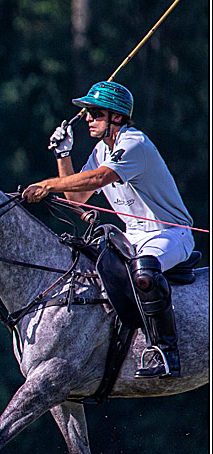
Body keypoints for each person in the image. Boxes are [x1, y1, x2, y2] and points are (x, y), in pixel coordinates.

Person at [23, 80, 195, 378]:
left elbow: (96, 180)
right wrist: (63, 154)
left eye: (95, 112)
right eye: (87, 113)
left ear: (116, 116)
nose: (88, 118)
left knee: (144, 272)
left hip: (170, 234)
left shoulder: (134, 143)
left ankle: (166, 353)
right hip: (133, 235)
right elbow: (77, 197)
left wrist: (47, 184)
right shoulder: (102, 150)